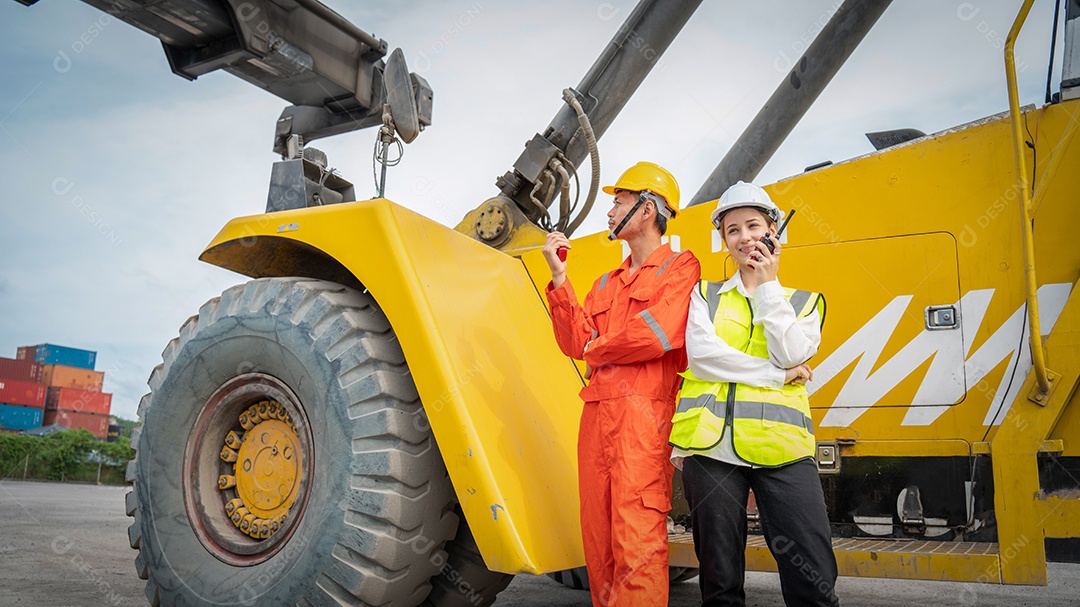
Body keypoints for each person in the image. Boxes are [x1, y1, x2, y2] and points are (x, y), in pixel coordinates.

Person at [670, 181, 837, 607]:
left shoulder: (804, 302)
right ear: (724, 241)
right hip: (712, 452)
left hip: (782, 451)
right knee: (720, 581)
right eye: (732, 230)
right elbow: (705, 358)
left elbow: (794, 351)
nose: (744, 237)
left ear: (773, 232)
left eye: (753, 226)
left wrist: (767, 287)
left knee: (812, 574)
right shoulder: (704, 296)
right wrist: (777, 376)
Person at [542, 161, 700, 607]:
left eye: (619, 202)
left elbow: (657, 333)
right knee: (599, 538)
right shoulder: (605, 283)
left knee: (637, 536)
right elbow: (575, 341)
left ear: (647, 210)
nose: (609, 212)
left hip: (643, 419)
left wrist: (598, 346)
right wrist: (559, 277)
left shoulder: (680, 267)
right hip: (597, 417)